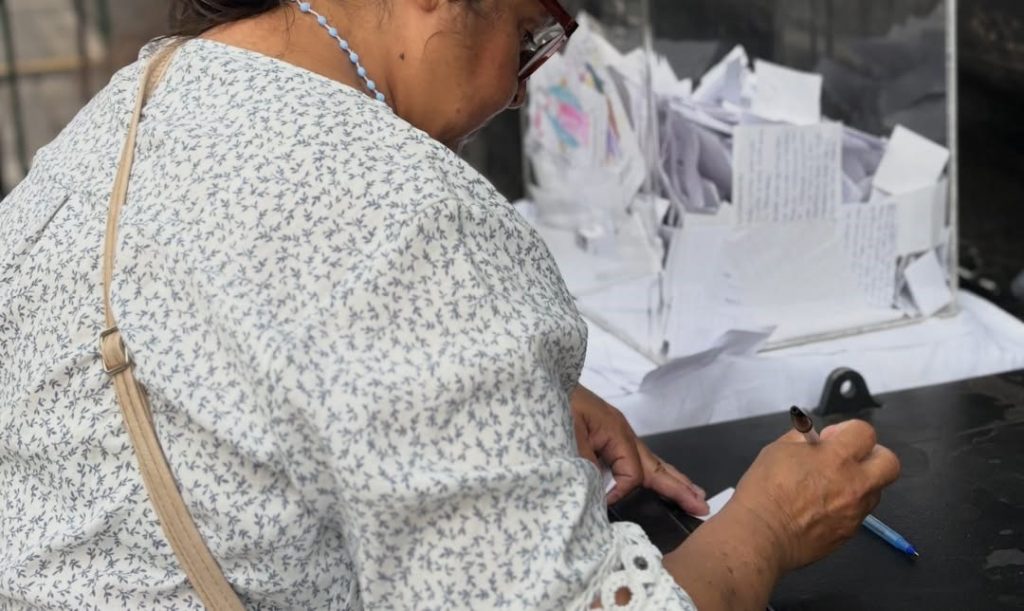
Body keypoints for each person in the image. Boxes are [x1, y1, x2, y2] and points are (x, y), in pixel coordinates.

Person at [0, 0, 900, 608]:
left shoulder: (131, 105)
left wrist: (472, 387)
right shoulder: (414, 211)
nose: (521, 87)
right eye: (533, 34)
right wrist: (770, 524)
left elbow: (217, 345)